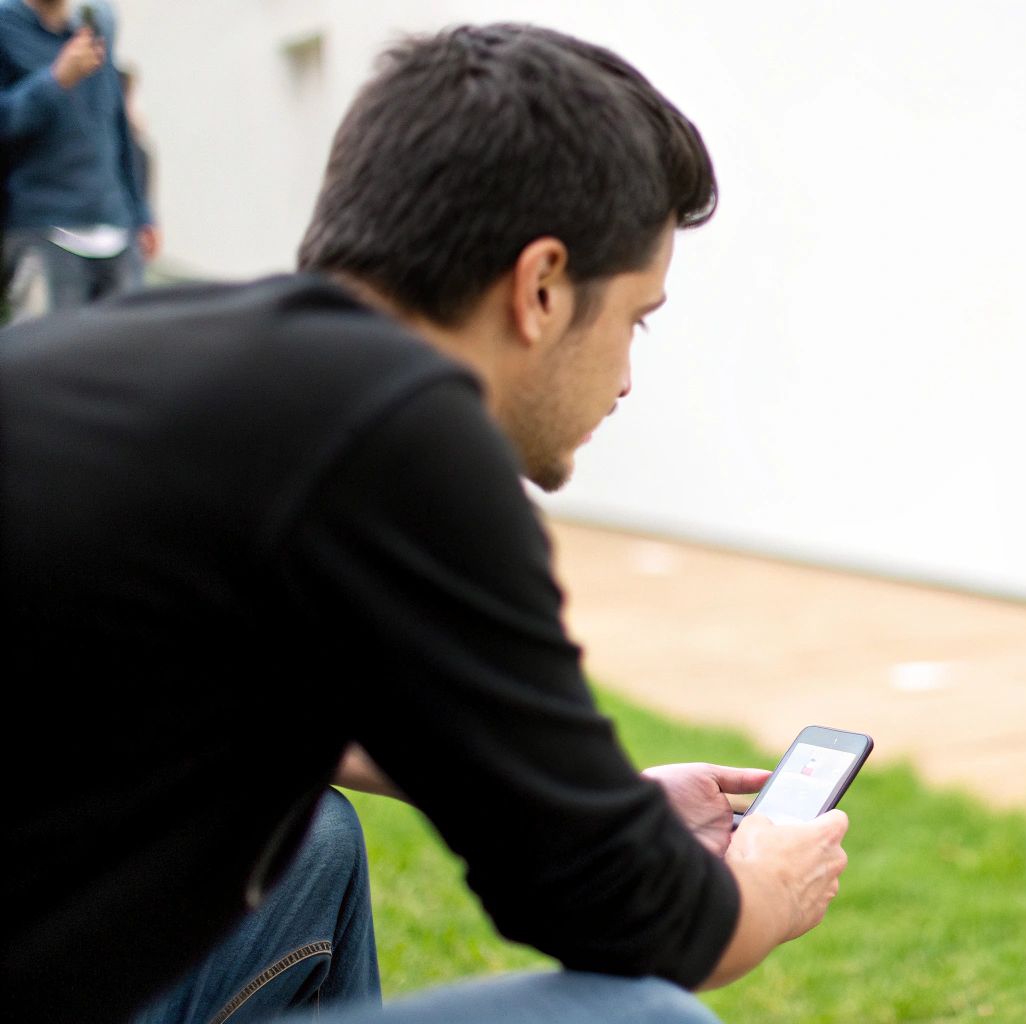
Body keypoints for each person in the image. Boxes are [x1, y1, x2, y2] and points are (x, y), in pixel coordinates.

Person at [0, 22, 848, 1024]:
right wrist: (764, 882)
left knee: (311, 836)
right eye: (634, 318)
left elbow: (257, 703)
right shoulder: (402, 434)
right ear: (538, 288)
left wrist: (603, 799)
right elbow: (637, 918)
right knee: (645, 1020)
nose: (625, 378)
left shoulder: (147, 351)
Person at [0, 0, 157, 324]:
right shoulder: (6, 25)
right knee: (44, 365)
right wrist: (56, 79)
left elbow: (115, 121)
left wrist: (140, 211)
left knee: (126, 362)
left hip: (116, 230)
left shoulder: (99, 19)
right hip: (41, 231)